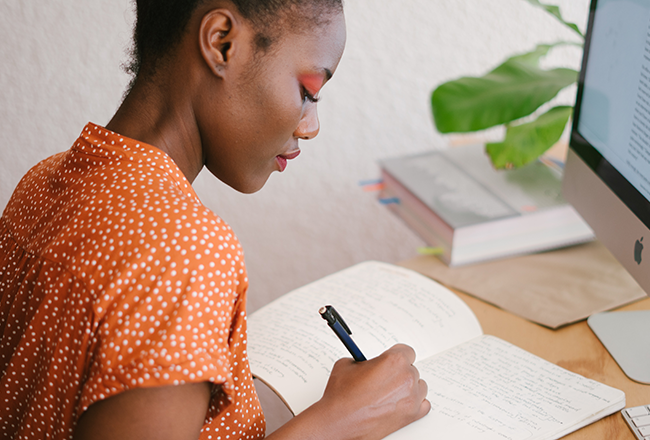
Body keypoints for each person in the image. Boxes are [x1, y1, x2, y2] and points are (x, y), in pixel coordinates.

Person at [0, 0, 430, 439]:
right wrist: (341, 421)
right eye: (308, 92)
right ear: (221, 43)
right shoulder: (185, 251)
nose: (310, 125)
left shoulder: (44, 180)